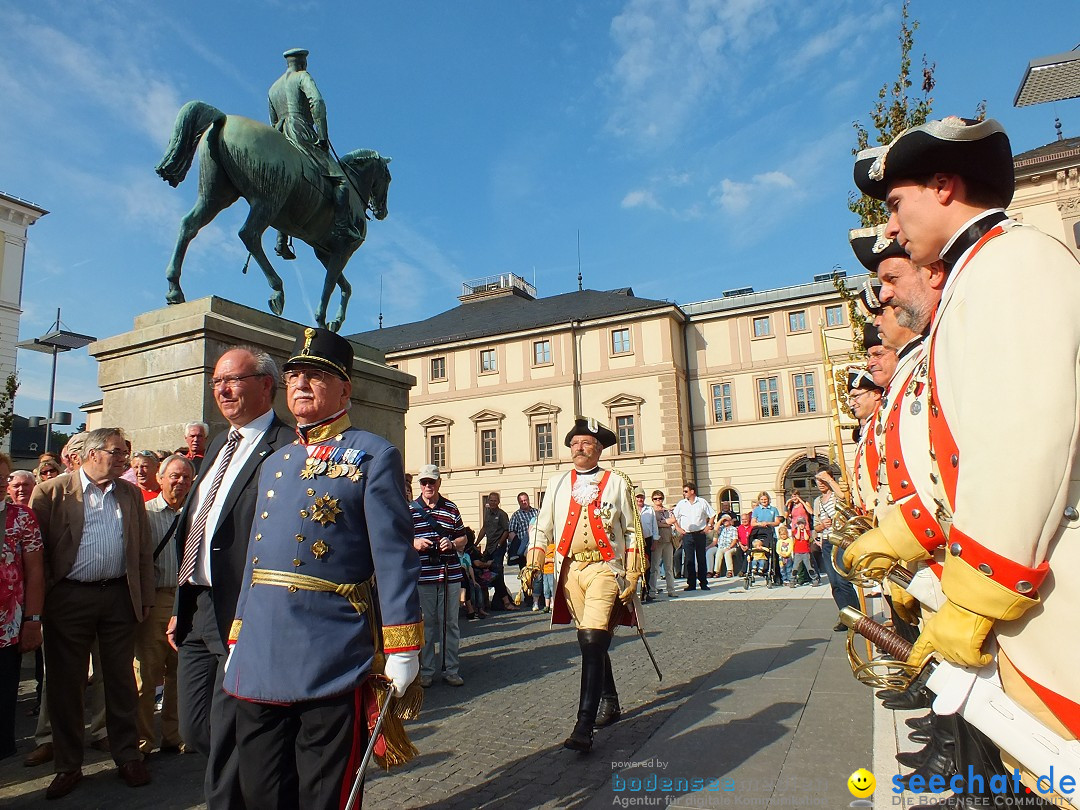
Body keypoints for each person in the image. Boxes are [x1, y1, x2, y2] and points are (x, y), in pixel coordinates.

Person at [850, 117, 1080, 792]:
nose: (891, 230)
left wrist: (978, 592)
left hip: (1042, 572)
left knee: (1058, 766)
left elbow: (1022, 441)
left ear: (945, 186)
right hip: (1027, 573)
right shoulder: (989, 267)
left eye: (895, 205)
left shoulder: (1012, 261)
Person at [222, 326, 422, 810]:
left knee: (323, 790)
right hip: (260, 647)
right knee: (262, 785)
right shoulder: (275, 462)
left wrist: (403, 645)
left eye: (316, 375)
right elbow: (256, 558)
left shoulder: (374, 455)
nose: (301, 385)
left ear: (345, 388)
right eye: (293, 376)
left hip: (329, 648)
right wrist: (237, 636)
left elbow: (393, 558)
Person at [169, 345, 292, 810]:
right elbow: (199, 523)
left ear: (266, 385)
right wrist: (182, 602)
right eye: (217, 381)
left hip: (243, 608)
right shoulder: (220, 445)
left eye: (233, 380)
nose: (221, 389)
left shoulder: (286, 447)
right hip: (198, 606)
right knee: (195, 728)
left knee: (226, 732)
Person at [30, 428, 154, 799]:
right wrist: (45, 603)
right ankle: (68, 765)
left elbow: (143, 551)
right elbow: (39, 554)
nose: (124, 460)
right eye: (117, 453)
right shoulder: (52, 491)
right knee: (66, 685)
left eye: (125, 453)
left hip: (118, 597)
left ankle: (127, 756)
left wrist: (143, 597)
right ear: (92, 453)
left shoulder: (129, 493)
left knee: (120, 681)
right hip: (68, 599)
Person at [522, 417, 644, 753]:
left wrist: (633, 571)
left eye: (586, 442)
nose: (579, 446)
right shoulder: (559, 483)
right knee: (591, 640)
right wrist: (534, 561)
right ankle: (610, 699)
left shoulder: (618, 482)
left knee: (592, 638)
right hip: (570, 570)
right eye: (574, 442)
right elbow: (541, 527)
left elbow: (633, 530)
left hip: (605, 568)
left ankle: (584, 724)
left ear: (599, 448)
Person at [268, 48, 358, 259]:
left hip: (280, 135)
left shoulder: (273, 88)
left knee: (283, 185)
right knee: (341, 181)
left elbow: (272, 120)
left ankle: (281, 241)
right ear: (302, 63)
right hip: (300, 131)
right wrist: (323, 135)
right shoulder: (302, 77)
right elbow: (317, 103)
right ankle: (342, 227)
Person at [135, 455, 193, 755]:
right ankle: (143, 740)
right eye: (174, 476)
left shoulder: (196, 514)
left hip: (186, 601)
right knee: (146, 674)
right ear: (160, 478)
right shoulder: (145, 514)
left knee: (179, 674)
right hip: (155, 600)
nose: (180, 482)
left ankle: (174, 735)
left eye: (186, 477)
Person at [0, 452, 44, 761]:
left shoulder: (21, 518)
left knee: (2, 703)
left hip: (6, 629)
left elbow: (36, 572)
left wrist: (33, 619)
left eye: (1, 478)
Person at [410, 463, 467, 687]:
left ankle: (451, 669)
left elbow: (464, 538)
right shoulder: (410, 510)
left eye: (431, 482)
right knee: (427, 624)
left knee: (450, 623)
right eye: (424, 482)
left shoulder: (451, 508)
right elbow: (399, 539)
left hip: (449, 574)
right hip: (423, 576)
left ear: (438, 483)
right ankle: (426, 670)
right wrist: (414, 542)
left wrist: (452, 543)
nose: (427, 486)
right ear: (420, 485)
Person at [812, 470, 857, 627]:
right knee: (834, 583)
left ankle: (857, 617)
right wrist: (821, 525)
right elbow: (815, 527)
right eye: (818, 481)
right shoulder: (817, 501)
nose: (820, 484)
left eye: (822, 480)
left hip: (841, 540)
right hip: (827, 542)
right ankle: (845, 616)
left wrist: (829, 479)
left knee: (842, 579)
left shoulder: (835, 495)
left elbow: (844, 497)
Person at [672, 481, 715, 591]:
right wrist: (678, 528)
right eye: (683, 491)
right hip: (687, 534)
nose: (684, 493)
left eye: (686, 491)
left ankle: (703, 583)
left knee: (701, 558)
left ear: (692, 491)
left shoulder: (702, 502)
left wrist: (708, 526)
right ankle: (691, 583)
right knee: (689, 559)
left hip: (700, 533)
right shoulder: (681, 504)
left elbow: (712, 514)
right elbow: (674, 516)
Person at [476, 491, 516, 610]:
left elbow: (506, 531)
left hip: (498, 548)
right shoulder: (487, 512)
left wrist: (499, 544)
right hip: (489, 547)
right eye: (491, 500)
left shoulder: (502, 514)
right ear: (488, 501)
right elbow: (484, 528)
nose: (493, 502)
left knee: (497, 574)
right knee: (485, 574)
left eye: (495, 500)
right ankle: (486, 602)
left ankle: (506, 602)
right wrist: (476, 543)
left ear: (498, 502)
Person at [508, 491, 539, 597]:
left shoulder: (537, 512)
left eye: (525, 500)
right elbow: (511, 531)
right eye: (521, 501)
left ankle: (538, 596)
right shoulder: (516, 515)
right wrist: (517, 545)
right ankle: (527, 596)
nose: (524, 502)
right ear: (519, 502)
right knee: (525, 573)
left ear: (529, 500)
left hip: (536, 546)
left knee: (537, 573)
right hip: (523, 548)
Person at [649, 491, 677, 597]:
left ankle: (671, 589)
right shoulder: (652, 511)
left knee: (669, 567)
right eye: (655, 498)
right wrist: (666, 522)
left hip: (668, 541)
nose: (658, 500)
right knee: (654, 567)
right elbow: (655, 524)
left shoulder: (667, 510)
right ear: (652, 500)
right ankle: (652, 590)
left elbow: (673, 520)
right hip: (657, 541)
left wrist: (662, 522)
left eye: (660, 498)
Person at [636, 491, 659, 601]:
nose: (640, 499)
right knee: (635, 566)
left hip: (647, 540)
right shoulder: (631, 509)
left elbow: (654, 526)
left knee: (647, 566)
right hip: (635, 541)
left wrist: (655, 541)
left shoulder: (650, 510)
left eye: (642, 497)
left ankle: (645, 591)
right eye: (638, 497)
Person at [788, 517, 820, 587]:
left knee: (809, 567)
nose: (801, 525)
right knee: (795, 567)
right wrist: (798, 530)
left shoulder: (807, 531)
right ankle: (792, 580)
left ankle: (815, 579)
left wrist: (804, 530)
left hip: (806, 552)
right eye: (799, 524)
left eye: (802, 523)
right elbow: (797, 537)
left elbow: (806, 538)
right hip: (798, 552)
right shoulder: (795, 531)